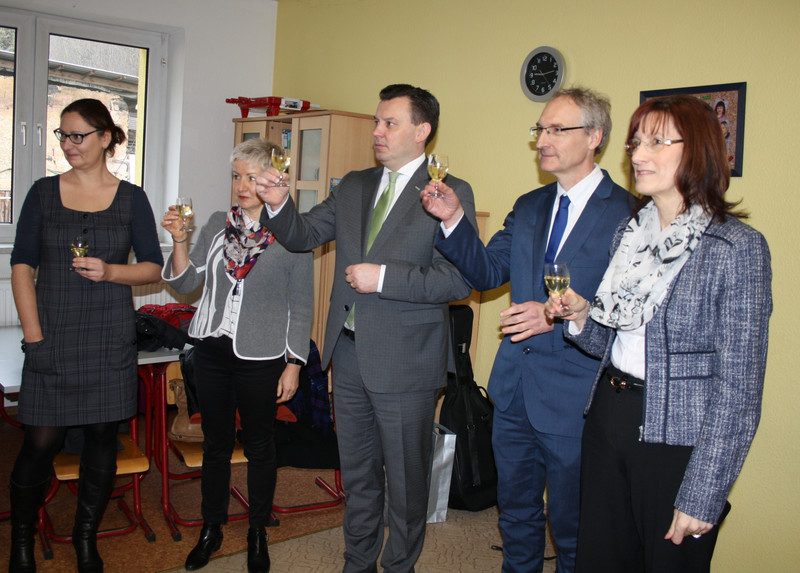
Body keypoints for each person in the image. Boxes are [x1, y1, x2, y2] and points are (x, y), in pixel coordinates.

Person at [545, 94, 772, 572]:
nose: (638, 155)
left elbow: (740, 390)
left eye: (657, 141)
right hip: (608, 419)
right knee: (600, 560)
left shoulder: (735, 248)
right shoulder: (629, 234)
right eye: (635, 142)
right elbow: (610, 344)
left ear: (699, 152)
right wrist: (581, 316)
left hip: (677, 440)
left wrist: (704, 492)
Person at [255, 84, 477, 573]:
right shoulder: (354, 185)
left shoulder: (447, 192)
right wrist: (277, 204)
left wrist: (385, 279)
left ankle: (399, 566)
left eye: (389, 123)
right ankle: (356, 563)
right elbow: (304, 235)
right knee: (356, 474)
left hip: (406, 358)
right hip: (349, 353)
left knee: (404, 478)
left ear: (423, 131)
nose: (377, 131)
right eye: (377, 122)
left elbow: (458, 279)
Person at [422, 88, 633, 573]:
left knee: (573, 525)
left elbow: (628, 311)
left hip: (576, 398)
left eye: (558, 129)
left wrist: (555, 313)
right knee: (516, 514)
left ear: (595, 137)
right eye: (540, 129)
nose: (543, 139)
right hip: (514, 390)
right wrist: (454, 218)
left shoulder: (628, 214)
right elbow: (487, 272)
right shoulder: (531, 204)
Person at [8, 98, 164, 573]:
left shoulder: (132, 197)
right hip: (51, 335)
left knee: (101, 439)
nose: (69, 145)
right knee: (40, 442)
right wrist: (34, 338)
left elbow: (152, 269)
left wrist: (112, 270)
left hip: (108, 338)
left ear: (105, 138)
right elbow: (21, 267)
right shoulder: (42, 193)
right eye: (63, 135)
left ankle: (85, 537)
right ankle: (20, 542)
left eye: (78, 135)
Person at [161, 138, 313, 573]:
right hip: (211, 349)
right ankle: (212, 528)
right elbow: (186, 284)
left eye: (252, 177)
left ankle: (257, 531)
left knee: (261, 445)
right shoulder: (214, 222)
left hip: (262, 354)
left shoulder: (292, 233)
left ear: (273, 180)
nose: (242, 186)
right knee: (216, 444)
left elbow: (301, 302)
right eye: (236, 176)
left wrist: (294, 363)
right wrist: (179, 242)